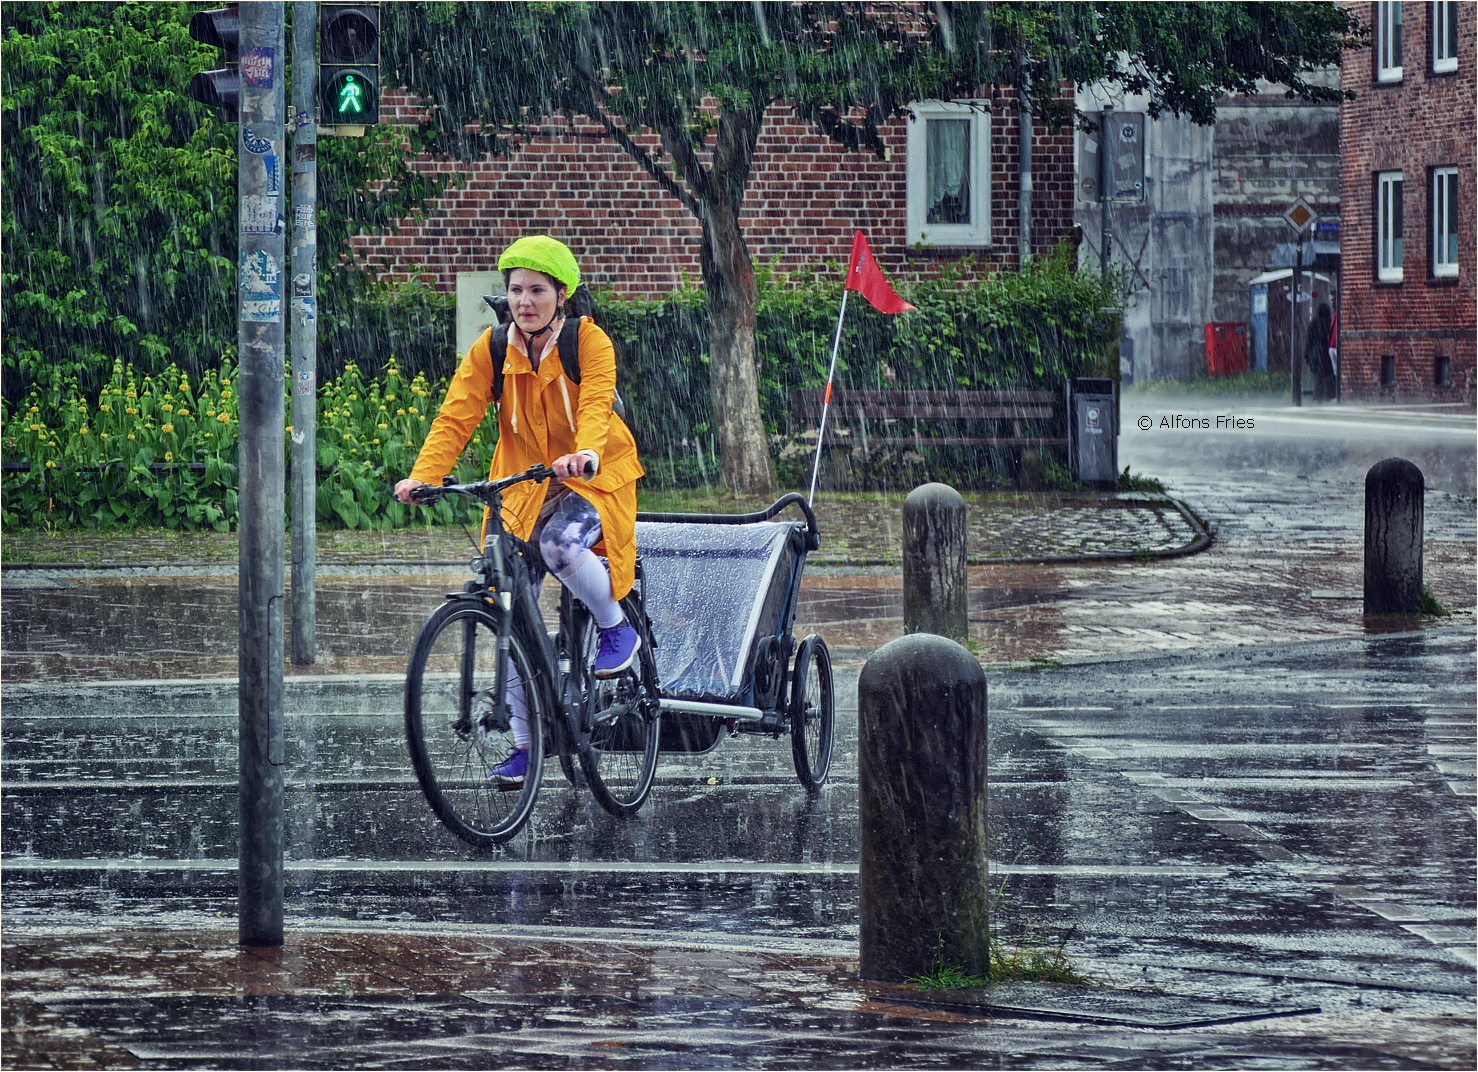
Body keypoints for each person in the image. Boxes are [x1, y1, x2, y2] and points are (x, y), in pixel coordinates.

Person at [394, 236, 644, 784]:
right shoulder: (492, 348)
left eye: (536, 290)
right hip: (524, 486)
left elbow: (598, 402)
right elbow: (455, 417)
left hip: (594, 477)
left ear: (561, 295)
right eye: (515, 290)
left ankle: (615, 624)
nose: (524, 300)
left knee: (560, 545)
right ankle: (528, 746)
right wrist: (424, 477)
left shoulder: (589, 342)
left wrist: (586, 452)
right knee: (508, 603)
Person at [1306, 300, 1336, 402]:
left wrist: (1307, 355)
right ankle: (1328, 396)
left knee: (1318, 377)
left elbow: (1308, 341)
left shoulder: (1313, 324)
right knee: (1328, 376)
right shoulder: (1329, 323)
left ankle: (1318, 397)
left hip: (1315, 353)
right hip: (1326, 352)